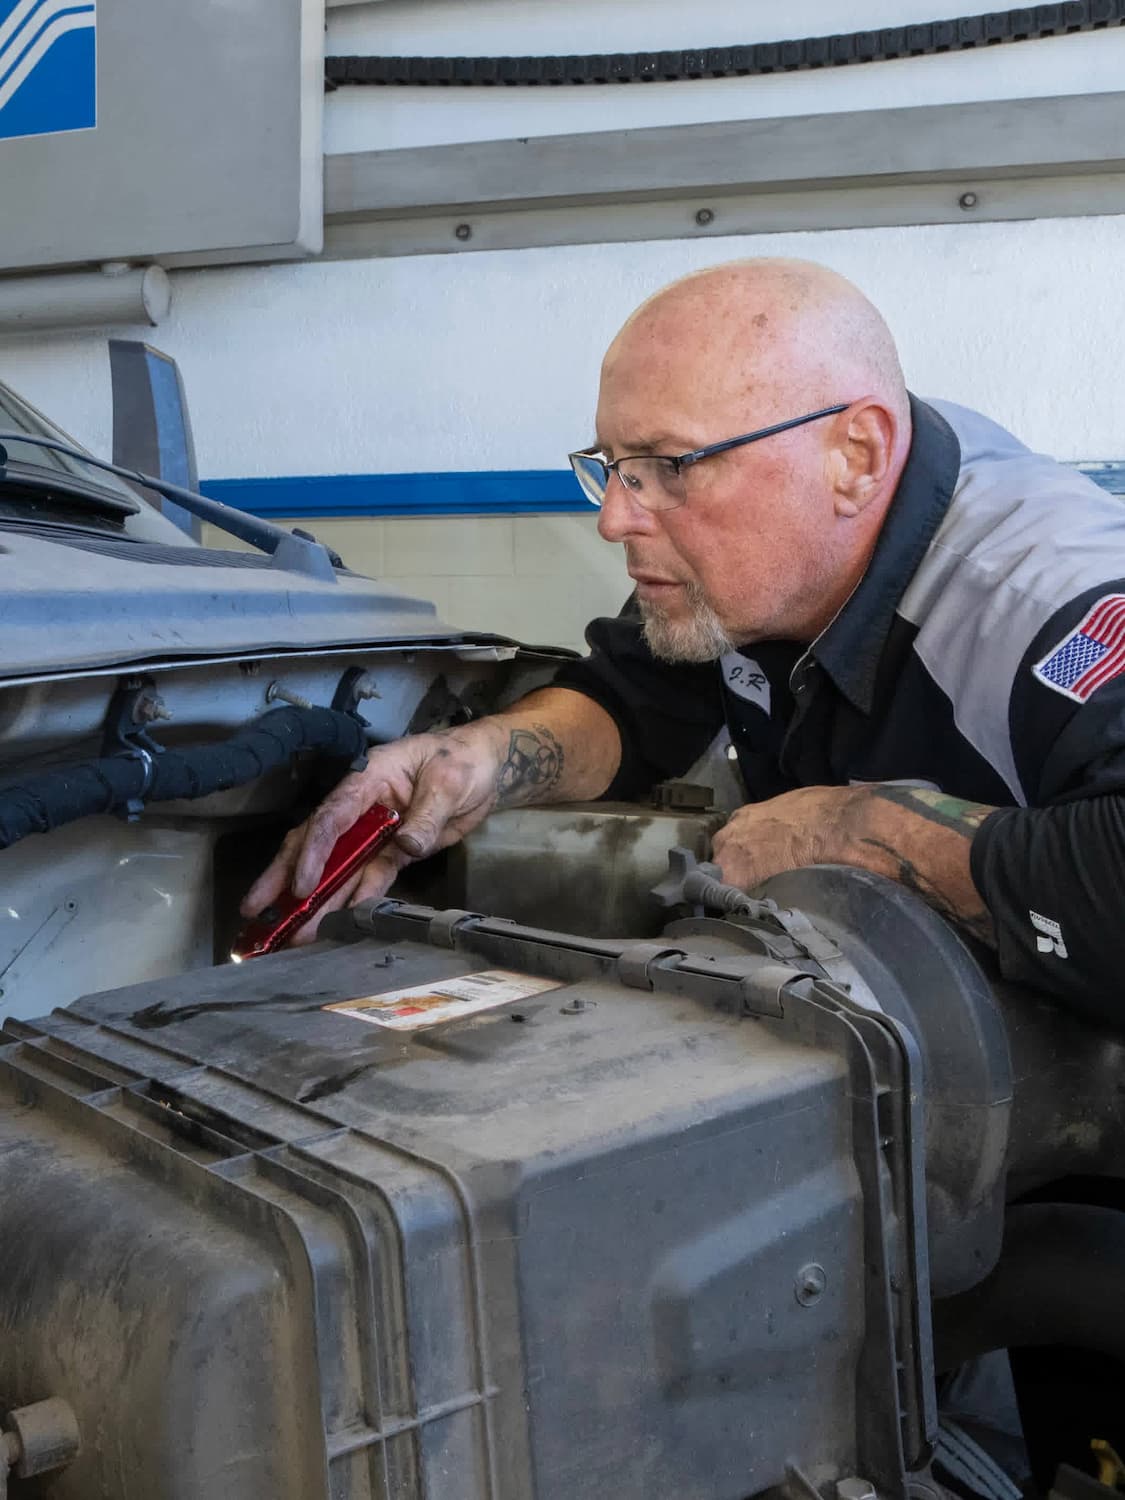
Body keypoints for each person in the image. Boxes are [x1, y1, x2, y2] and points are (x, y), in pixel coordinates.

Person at [244, 257, 1125, 1020]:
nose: (617, 519)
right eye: (613, 468)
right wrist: (477, 758)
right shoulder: (767, 559)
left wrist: (853, 830)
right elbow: (633, 701)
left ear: (854, 456)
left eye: (670, 467)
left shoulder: (1044, 601)